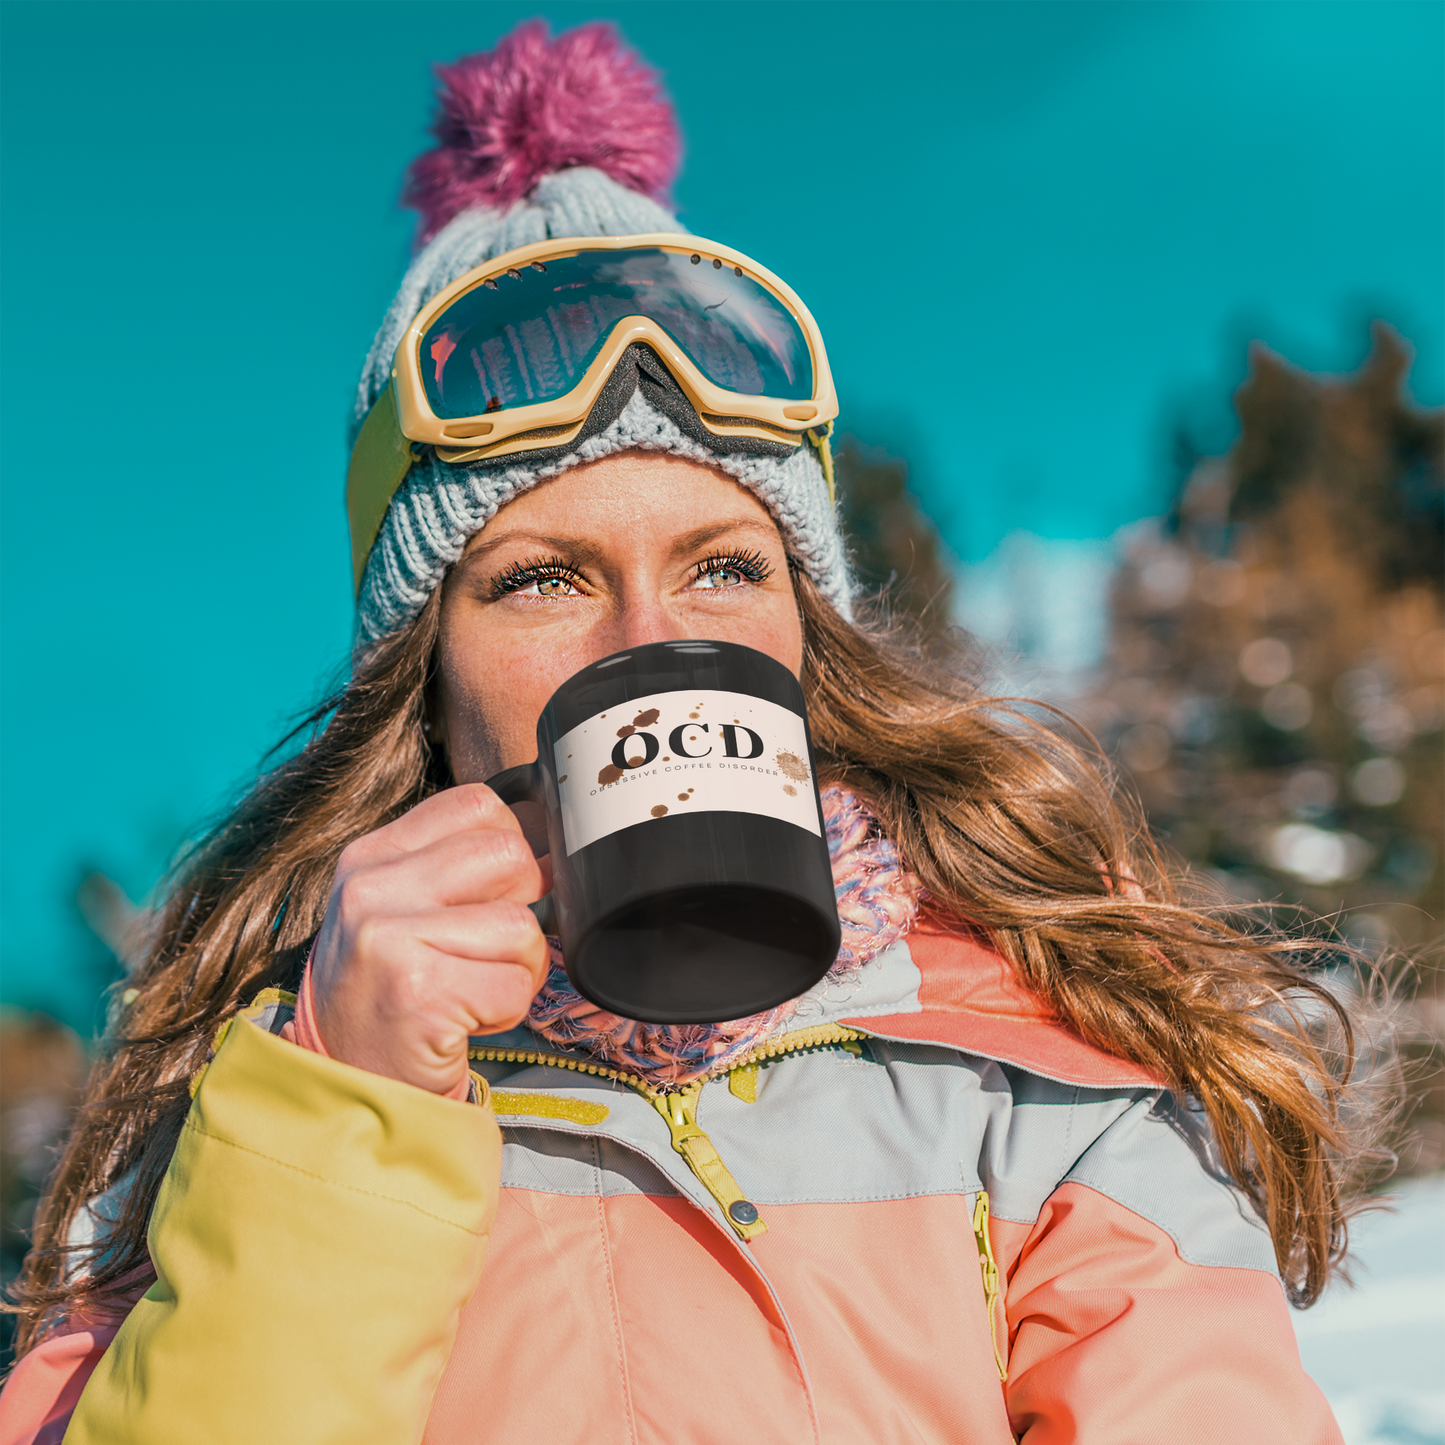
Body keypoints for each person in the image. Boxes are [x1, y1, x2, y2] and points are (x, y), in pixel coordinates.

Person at [0, 21, 1381, 1445]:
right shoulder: (235, 1127)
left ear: (806, 636)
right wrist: (345, 1114)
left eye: (724, 566)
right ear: (424, 678)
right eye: (540, 580)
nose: (653, 645)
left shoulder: (1037, 1076)